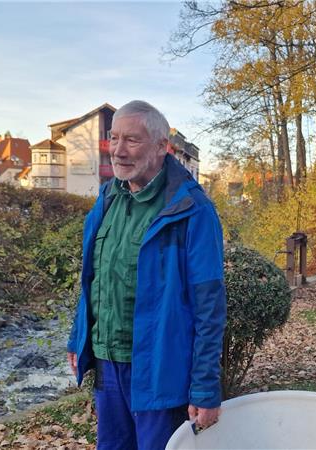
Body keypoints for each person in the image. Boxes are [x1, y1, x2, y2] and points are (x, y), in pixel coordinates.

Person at [66, 100, 226, 450]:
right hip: (108, 366)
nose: (118, 150)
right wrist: (79, 336)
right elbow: (94, 275)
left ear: (160, 146)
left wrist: (205, 386)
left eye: (132, 140)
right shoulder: (108, 198)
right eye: (114, 138)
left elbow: (209, 307)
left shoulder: (192, 210)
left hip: (159, 372)